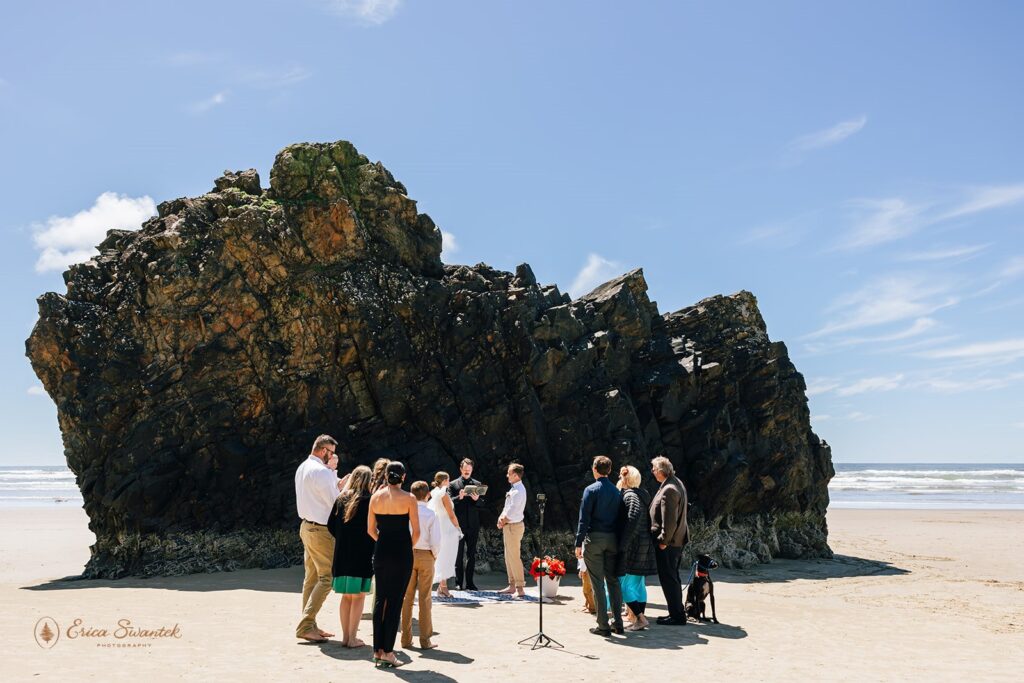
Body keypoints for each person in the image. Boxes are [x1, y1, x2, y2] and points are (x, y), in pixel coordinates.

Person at [368, 461, 419, 668]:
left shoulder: (375, 497)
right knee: (395, 601)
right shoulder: (410, 498)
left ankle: (378, 650)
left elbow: (371, 531)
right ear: (404, 477)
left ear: (386, 476)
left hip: (381, 550)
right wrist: (406, 546)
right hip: (401, 552)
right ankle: (388, 652)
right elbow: (416, 532)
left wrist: (383, 541)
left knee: (381, 599)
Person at [294, 434, 343, 643]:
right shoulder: (322, 472)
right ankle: (306, 625)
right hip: (320, 530)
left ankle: (310, 624)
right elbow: (335, 502)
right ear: (323, 451)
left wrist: (335, 477)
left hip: (306, 527)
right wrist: (343, 483)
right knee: (327, 577)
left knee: (311, 578)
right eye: (331, 453)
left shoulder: (303, 467)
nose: (332, 456)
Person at [575, 455, 625, 636]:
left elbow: (584, 518)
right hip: (612, 539)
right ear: (610, 470)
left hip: (595, 539)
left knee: (597, 583)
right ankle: (618, 623)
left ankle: (603, 625)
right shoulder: (616, 491)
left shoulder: (590, 490)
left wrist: (578, 542)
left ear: (595, 469)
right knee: (613, 581)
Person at [328, 465, 374, 648]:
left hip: (341, 553)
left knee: (346, 597)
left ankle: (346, 637)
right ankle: (353, 638)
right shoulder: (370, 500)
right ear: (368, 481)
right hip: (361, 554)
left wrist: (343, 537)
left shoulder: (341, 498)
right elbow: (373, 527)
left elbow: (330, 525)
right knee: (359, 597)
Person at [615, 465, 657, 631]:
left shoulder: (630, 495)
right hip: (644, 544)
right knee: (638, 584)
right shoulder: (642, 494)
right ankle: (640, 616)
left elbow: (633, 517)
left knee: (624, 586)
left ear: (625, 479)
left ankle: (639, 619)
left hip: (633, 547)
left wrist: (623, 543)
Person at [401, 481, 441, 651]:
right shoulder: (431, 514)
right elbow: (436, 541)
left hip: (408, 554)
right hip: (426, 555)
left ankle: (406, 639)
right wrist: (434, 555)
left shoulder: (406, 512)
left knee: (407, 598)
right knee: (425, 599)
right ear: (427, 495)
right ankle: (425, 640)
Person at [649, 455, 689, 625]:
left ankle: (677, 616)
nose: (652, 471)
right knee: (672, 577)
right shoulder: (675, 483)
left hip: (669, 543)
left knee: (669, 578)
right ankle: (676, 611)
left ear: (660, 471)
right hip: (676, 540)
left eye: (654, 469)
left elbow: (669, 520)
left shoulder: (669, 489)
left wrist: (664, 540)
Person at [448, 458, 484, 590]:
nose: (467, 471)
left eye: (469, 469)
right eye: (465, 469)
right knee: (458, 555)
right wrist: (459, 497)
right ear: (460, 469)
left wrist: (477, 499)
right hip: (459, 525)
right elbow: (449, 502)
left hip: (473, 524)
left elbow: (482, 504)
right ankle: (458, 583)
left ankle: (470, 583)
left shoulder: (477, 483)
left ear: (472, 469)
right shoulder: (452, 484)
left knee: (471, 554)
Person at [428, 472, 462, 597]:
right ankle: (443, 587)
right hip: (447, 527)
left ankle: (442, 587)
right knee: (446, 556)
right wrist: (458, 527)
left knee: (442, 556)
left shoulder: (435, 492)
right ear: (445, 481)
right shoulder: (444, 495)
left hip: (439, 525)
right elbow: (451, 514)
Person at [496, 462, 527, 597]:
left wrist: (504, 520)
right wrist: (501, 518)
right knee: (508, 556)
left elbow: (514, 510)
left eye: (509, 473)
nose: (507, 475)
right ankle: (512, 585)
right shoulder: (513, 489)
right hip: (509, 526)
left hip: (514, 526)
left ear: (515, 475)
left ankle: (520, 587)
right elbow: (507, 507)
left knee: (514, 556)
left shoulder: (519, 490)